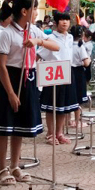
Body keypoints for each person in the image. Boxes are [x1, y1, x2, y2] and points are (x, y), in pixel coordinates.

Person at [0, 0, 56, 185]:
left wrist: (38, 42)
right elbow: (1, 66)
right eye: (35, 9)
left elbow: (56, 46)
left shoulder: (34, 31)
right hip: (10, 79)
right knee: (5, 127)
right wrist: (11, 93)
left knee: (19, 127)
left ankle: (15, 165)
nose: (37, 12)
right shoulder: (7, 33)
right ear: (24, 11)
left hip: (28, 78)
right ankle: (2, 168)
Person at [39, 11, 79, 145]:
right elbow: (40, 54)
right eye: (62, 20)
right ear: (56, 22)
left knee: (63, 105)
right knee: (51, 106)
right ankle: (50, 134)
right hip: (53, 72)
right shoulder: (50, 38)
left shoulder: (70, 37)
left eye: (67, 20)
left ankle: (59, 133)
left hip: (67, 71)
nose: (65, 22)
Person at [70, 25, 91, 129]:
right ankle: (77, 121)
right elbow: (86, 63)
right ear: (82, 34)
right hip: (78, 72)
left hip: (68, 70)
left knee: (69, 97)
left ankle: (69, 121)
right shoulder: (80, 46)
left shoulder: (68, 45)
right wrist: (89, 59)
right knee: (78, 98)